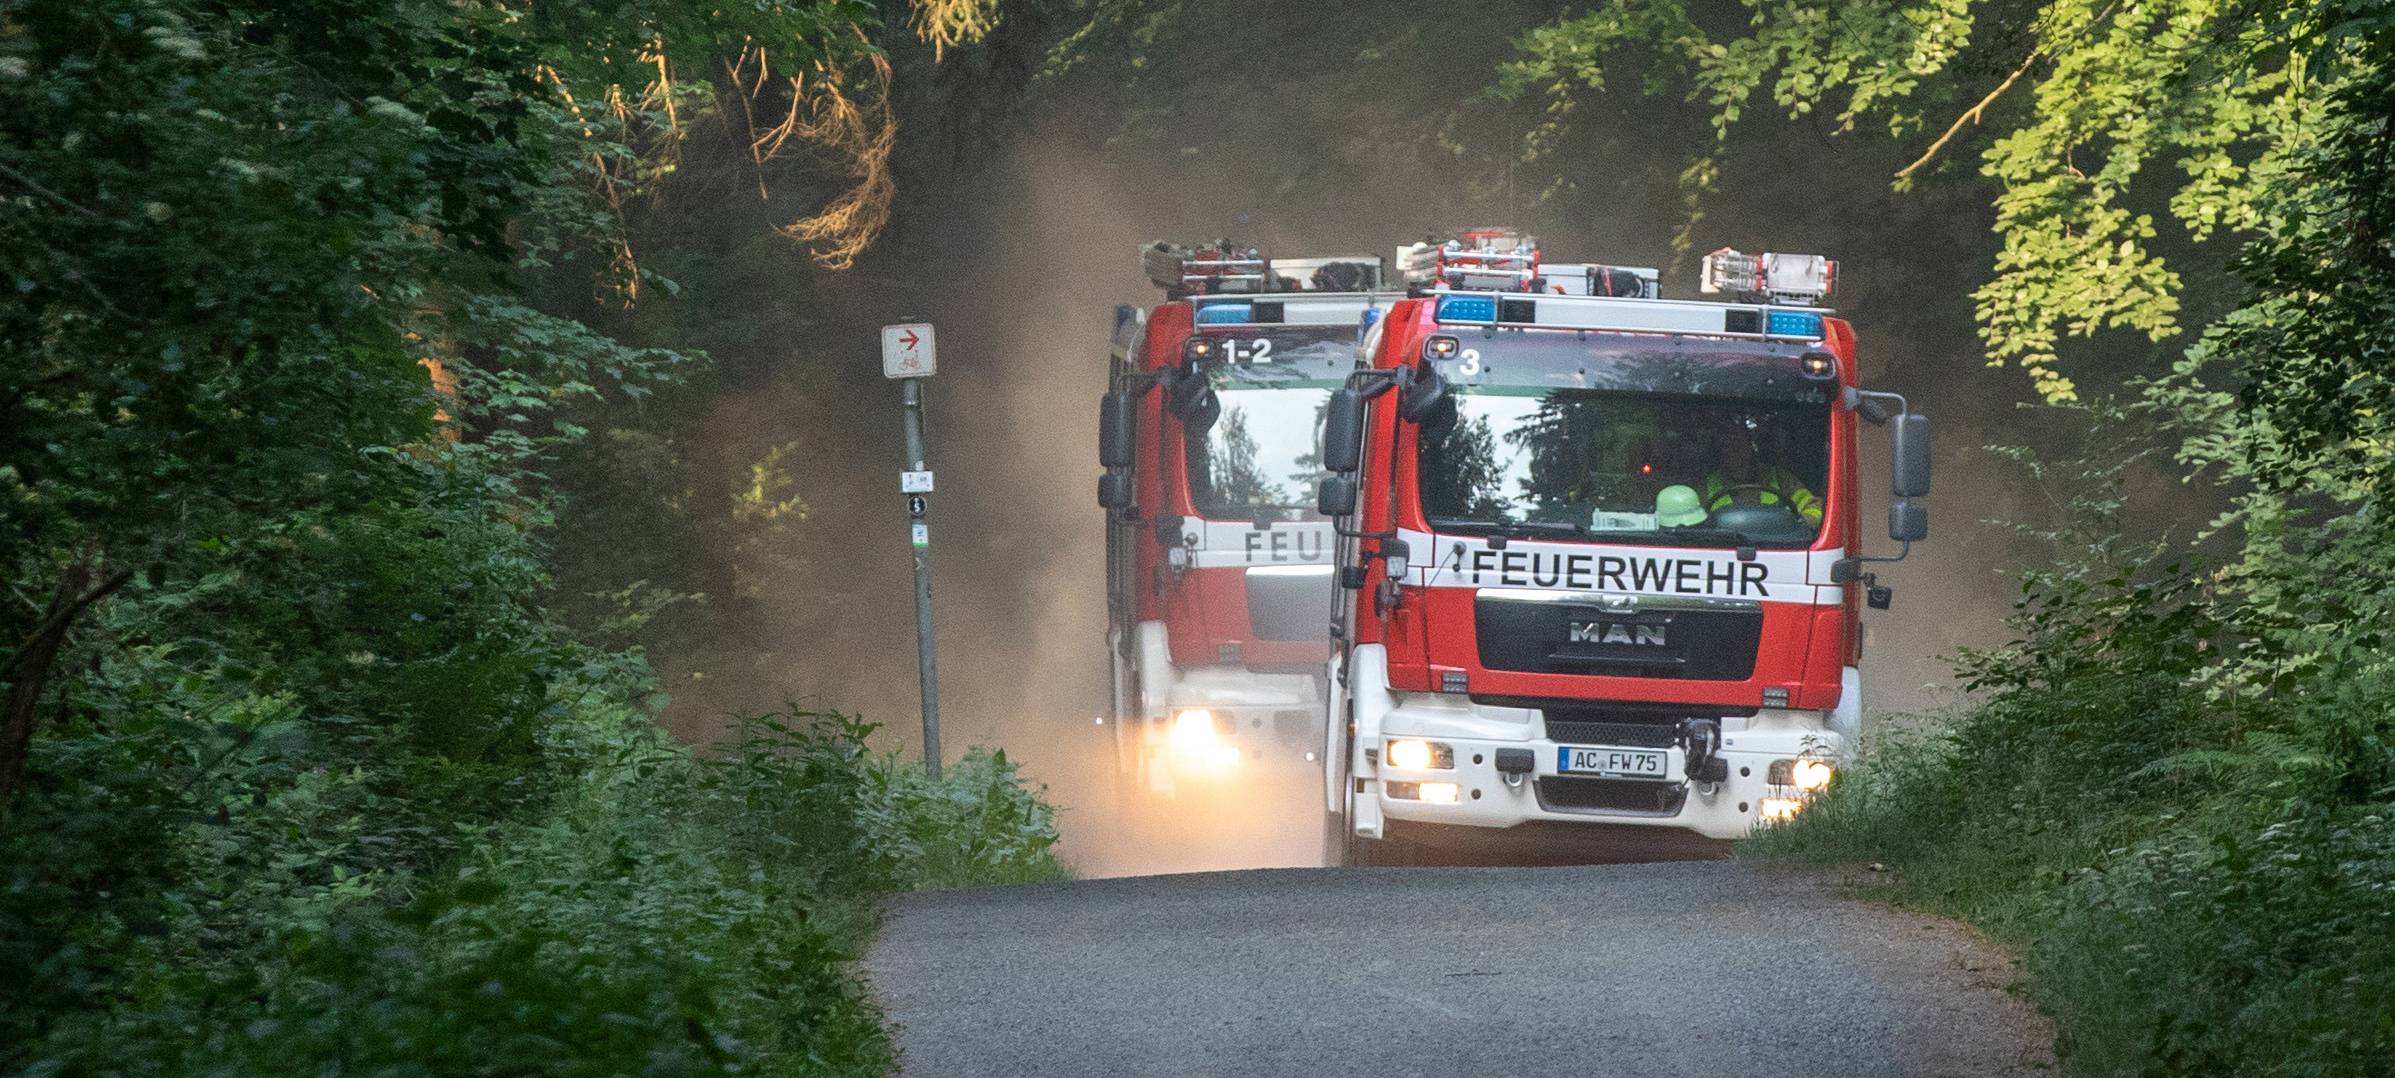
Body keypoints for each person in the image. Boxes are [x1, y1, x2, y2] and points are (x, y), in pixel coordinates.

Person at [1700, 426, 1822, 526]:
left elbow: (1813, 506)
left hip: (1779, 547)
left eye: (1738, 445)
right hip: (1722, 549)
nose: (1733, 452)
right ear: (1718, 453)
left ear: (1751, 447)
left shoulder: (1781, 479)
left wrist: (1803, 521)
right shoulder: (1704, 486)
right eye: (1726, 447)